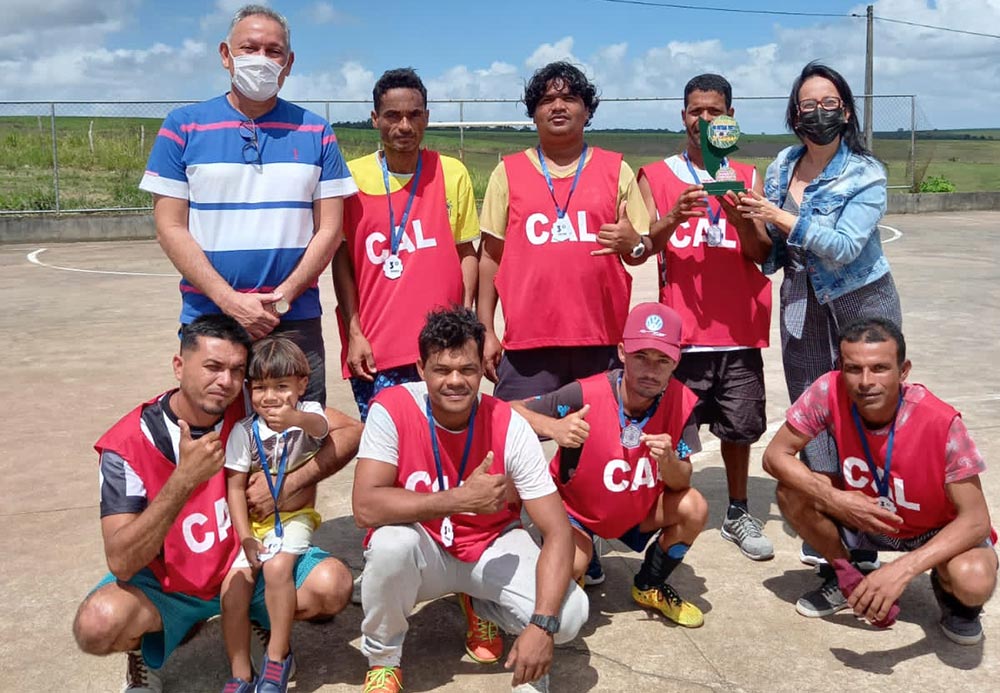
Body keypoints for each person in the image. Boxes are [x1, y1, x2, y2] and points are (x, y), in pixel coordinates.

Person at [72, 315, 362, 692]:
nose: (225, 381)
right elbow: (122, 560)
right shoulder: (127, 445)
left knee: (332, 585)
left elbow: (349, 430)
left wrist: (292, 482)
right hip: (171, 582)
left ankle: (261, 623)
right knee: (96, 625)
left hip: (246, 563)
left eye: (236, 370)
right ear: (179, 366)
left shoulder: (254, 404)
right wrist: (183, 480)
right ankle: (146, 650)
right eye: (212, 367)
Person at [352, 307, 588, 693]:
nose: (456, 381)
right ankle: (383, 660)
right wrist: (459, 499)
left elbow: (557, 531)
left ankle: (481, 604)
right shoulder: (392, 409)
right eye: (442, 369)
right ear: (420, 368)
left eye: (468, 369)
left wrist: (541, 625)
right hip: (424, 547)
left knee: (571, 614)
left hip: (490, 543)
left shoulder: (509, 423)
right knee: (389, 544)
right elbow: (365, 508)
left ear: (483, 368)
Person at [139, 4, 358, 406]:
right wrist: (230, 301)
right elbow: (170, 228)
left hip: (293, 321)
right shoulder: (182, 126)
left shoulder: (316, 131)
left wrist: (282, 298)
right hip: (209, 319)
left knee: (298, 440)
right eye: (249, 47)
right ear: (226, 55)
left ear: (288, 63)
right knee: (212, 440)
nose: (261, 59)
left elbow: (330, 230)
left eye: (273, 51)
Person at [762, 318, 996, 644]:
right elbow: (775, 456)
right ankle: (847, 576)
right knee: (792, 490)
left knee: (974, 580)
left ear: (903, 371)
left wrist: (901, 570)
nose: (865, 381)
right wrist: (836, 499)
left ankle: (951, 596)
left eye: (880, 368)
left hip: (931, 528)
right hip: (863, 514)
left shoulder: (941, 421)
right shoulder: (829, 390)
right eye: (853, 369)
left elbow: (977, 520)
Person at [632, 73, 774, 561]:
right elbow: (642, 245)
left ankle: (738, 510)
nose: (705, 119)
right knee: (670, 432)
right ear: (683, 116)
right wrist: (672, 217)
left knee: (739, 430)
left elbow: (759, 252)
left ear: (730, 118)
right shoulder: (655, 174)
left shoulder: (749, 175)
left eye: (715, 111)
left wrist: (740, 221)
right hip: (682, 332)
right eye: (696, 110)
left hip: (737, 329)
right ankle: (661, 507)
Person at [513, 303, 708, 628]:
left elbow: (682, 479)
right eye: (640, 357)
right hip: (576, 512)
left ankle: (649, 585)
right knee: (572, 565)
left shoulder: (682, 402)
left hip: (636, 509)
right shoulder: (584, 393)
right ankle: (579, 560)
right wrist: (552, 428)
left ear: (676, 362)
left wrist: (669, 461)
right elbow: (506, 410)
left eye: (662, 360)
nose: (651, 369)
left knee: (695, 508)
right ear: (622, 352)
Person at [478, 61, 651, 402]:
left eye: (570, 98)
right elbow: (489, 258)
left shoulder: (616, 169)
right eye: (546, 100)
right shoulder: (507, 172)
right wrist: (485, 330)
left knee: (598, 446)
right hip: (527, 343)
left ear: (587, 110)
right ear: (534, 113)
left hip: (600, 342)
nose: (558, 106)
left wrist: (634, 245)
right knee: (515, 442)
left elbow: (638, 251)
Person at [332, 68, 479, 421]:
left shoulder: (451, 172)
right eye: (392, 116)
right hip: (377, 351)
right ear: (374, 119)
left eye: (414, 115)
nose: (404, 126)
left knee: (448, 450)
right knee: (388, 456)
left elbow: (466, 253)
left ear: (426, 117)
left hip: (443, 351)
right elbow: (341, 260)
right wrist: (355, 334)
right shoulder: (350, 178)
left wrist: (465, 324)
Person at [222, 336, 331, 692]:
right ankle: (240, 674)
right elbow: (235, 487)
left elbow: (321, 429)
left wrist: (294, 416)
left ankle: (276, 658)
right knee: (233, 589)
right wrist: (246, 538)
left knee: (278, 568)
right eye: (261, 388)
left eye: (282, 386)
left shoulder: (308, 415)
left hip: (294, 518)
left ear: (302, 384)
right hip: (253, 525)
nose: (270, 397)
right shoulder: (244, 431)